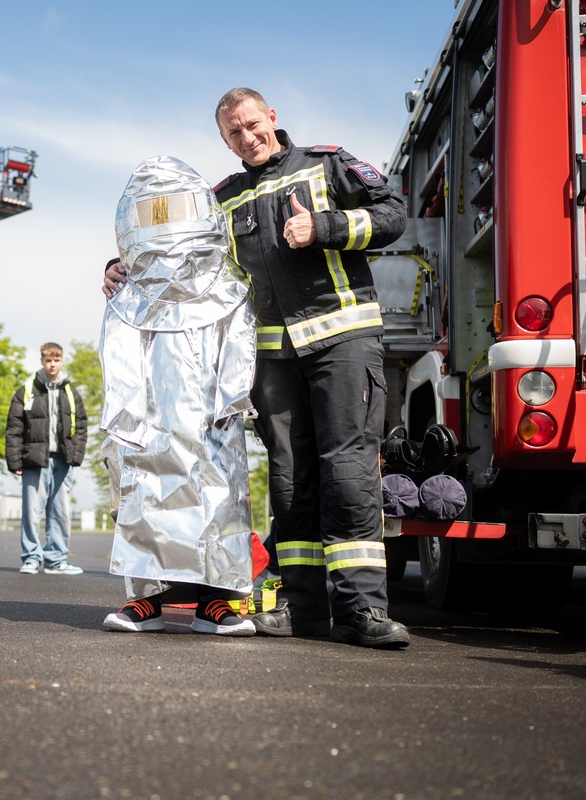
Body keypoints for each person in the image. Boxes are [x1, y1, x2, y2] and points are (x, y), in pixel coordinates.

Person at [106, 88, 410, 648]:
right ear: (224, 140)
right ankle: (300, 607)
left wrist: (326, 229)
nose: (247, 137)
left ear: (272, 117)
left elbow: (394, 216)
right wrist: (122, 268)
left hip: (342, 340)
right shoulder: (219, 198)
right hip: (271, 356)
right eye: (233, 133)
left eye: (252, 124)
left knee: (347, 475)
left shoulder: (326, 165)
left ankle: (363, 611)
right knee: (289, 481)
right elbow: (178, 256)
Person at [99, 156, 258, 636]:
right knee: (145, 498)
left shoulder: (228, 285)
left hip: (213, 418)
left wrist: (231, 404)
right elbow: (119, 354)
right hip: (151, 419)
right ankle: (145, 601)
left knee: (221, 500)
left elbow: (239, 342)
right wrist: (127, 420)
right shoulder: (130, 294)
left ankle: (218, 603)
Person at [4, 343, 88, 576]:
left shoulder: (71, 392)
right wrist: (15, 462)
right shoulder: (27, 390)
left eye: (57, 360)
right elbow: (14, 428)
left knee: (60, 511)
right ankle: (31, 558)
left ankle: (56, 560)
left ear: (61, 361)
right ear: (42, 361)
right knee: (32, 510)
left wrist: (76, 455)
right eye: (48, 360)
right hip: (33, 460)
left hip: (63, 460)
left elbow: (81, 426)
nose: (52, 364)